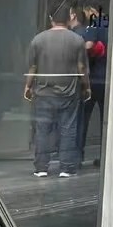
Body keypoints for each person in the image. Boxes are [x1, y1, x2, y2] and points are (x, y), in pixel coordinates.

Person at [24, 10, 91, 178]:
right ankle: (66, 167)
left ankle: (41, 167)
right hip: (69, 92)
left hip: (44, 92)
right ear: (69, 19)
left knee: (43, 130)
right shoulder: (77, 40)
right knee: (68, 129)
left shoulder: (38, 40)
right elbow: (81, 67)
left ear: (51, 19)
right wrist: (86, 87)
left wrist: (28, 86)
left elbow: (33, 67)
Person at [70, 7, 109, 165]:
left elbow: (89, 45)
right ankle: (105, 157)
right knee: (105, 121)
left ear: (92, 10)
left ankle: (77, 156)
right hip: (108, 79)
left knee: (83, 119)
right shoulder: (110, 24)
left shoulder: (94, 24)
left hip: (93, 79)